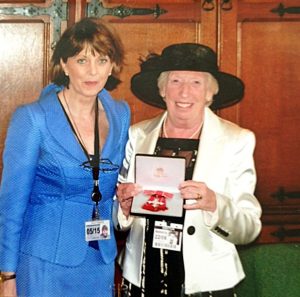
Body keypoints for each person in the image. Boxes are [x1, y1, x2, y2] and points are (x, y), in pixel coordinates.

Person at [113, 43, 262, 297]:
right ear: (162, 89)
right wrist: (123, 208)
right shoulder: (138, 135)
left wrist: (215, 204)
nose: (184, 92)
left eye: (196, 82)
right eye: (175, 80)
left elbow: (249, 227)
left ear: (210, 93)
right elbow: (119, 208)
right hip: (142, 278)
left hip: (206, 284)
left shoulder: (236, 140)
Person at [0, 17, 130, 297]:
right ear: (64, 64)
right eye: (82, 60)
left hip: (100, 258)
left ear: (113, 66)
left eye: (102, 60)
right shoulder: (33, 118)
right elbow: (11, 203)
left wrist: (125, 198)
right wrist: (6, 274)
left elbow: (112, 183)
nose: (92, 70)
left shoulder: (120, 114)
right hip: (44, 260)